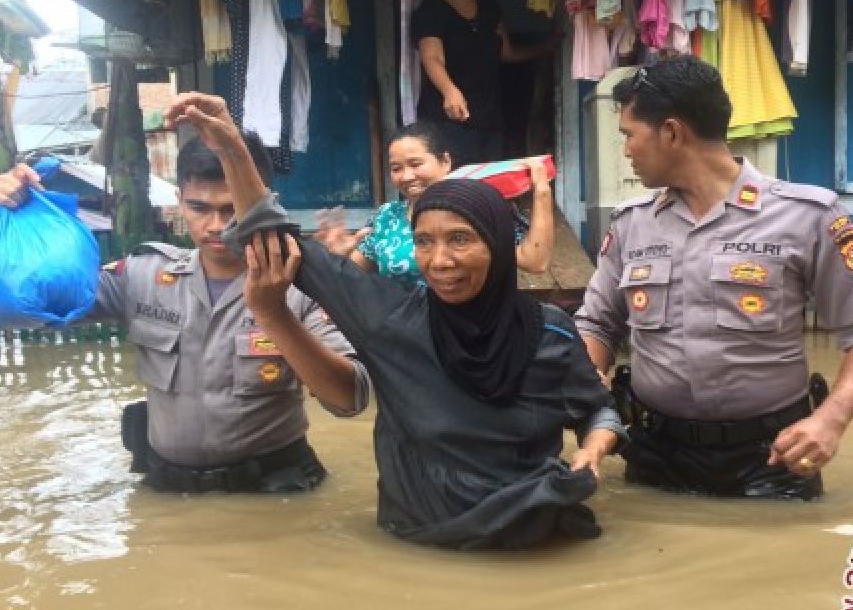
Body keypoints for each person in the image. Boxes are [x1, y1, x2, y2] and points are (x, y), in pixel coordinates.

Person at [164, 92, 625, 550]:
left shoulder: (551, 333)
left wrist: (594, 449)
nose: (439, 261)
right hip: (418, 541)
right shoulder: (391, 320)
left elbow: (598, 410)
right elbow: (276, 241)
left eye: (460, 239)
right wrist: (231, 148)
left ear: (501, 245)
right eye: (423, 242)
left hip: (532, 536)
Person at [575, 57, 853, 500]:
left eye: (629, 135)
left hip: (772, 458)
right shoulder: (632, 224)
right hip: (654, 453)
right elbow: (597, 325)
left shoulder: (807, 216)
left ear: (671, 133)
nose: (627, 150)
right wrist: (587, 382)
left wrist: (831, 419)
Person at [0, 134, 371, 494]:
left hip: (272, 491)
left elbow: (349, 400)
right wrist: (17, 213)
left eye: (232, 210)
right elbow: (25, 310)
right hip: (167, 489)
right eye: (199, 208)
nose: (216, 227)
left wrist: (274, 315)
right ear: (180, 200)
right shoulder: (142, 275)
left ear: (262, 202)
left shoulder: (302, 286)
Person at [315, 122, 555, 286]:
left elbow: (534, 262)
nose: (407, 176)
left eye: (416, 164)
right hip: (403, 340)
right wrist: (337, 258)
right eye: (396, 168)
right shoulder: (387, 217)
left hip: (470, 335)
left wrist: (542, 193)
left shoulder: (478, 210)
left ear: (445, 161)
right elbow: (352, 277)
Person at [412, 0, 556, 165]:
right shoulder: (431, 11)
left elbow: (506, 53)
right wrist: (450, 92)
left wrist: (547, 47)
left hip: (488, 118)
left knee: (486, 188)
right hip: (447, 118)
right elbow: (431, 56)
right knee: (454, 189)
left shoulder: (489, 6)